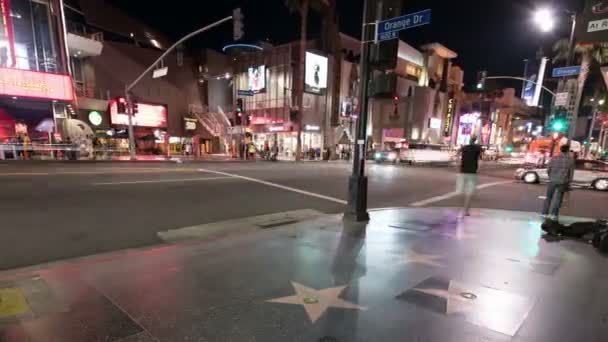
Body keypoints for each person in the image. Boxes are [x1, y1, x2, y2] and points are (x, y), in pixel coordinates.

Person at [542, 144, 575, 220]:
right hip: (563, 181)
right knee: (558, 198)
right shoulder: (570, 159)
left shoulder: (554, 157)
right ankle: (554, 214)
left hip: (552, 180)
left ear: (560, 150)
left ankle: (544, 213)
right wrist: (569, 181)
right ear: (567, 150)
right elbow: (571, 172)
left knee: (549, 197)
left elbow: (548, 169)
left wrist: (550, 176)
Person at [458, 137, 482, 216]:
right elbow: (480, 158)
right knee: (469, 193)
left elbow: (458, 155)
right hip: (472, 172)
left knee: (461, 191)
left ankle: (462, 208)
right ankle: (466, 210)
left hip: (463, 171)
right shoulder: (477, 148)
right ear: (475, 141)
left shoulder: (464, 148)